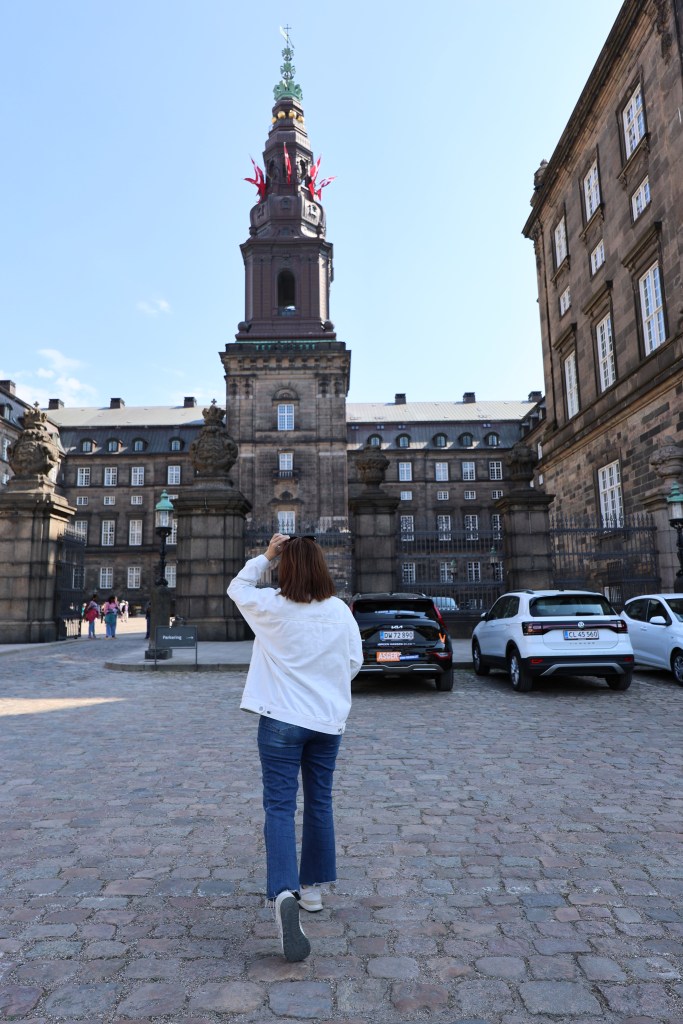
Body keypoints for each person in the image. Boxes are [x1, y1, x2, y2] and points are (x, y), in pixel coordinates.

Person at [227, 533, 362, 963]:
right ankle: (314, 891)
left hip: (282, 720)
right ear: (322, 568)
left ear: (285, 569)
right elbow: (354, 662)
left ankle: (284, 892)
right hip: (326, 722)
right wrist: (324, 685)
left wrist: (267, 555)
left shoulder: (271, 606)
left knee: (280, 807)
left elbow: (237, 587)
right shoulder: (339, 610)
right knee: (320, 801)